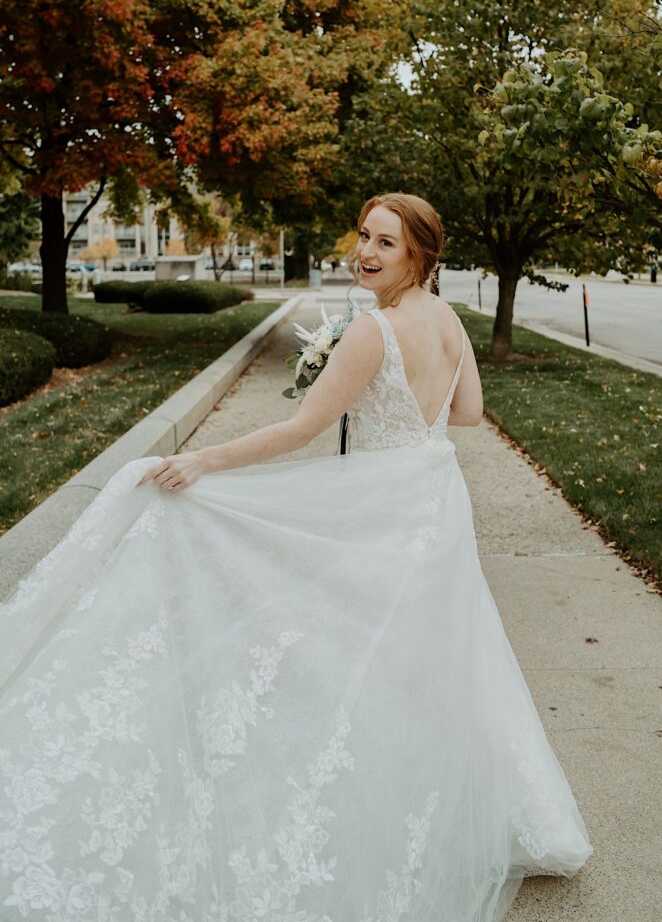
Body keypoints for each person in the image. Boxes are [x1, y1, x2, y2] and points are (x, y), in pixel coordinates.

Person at [0, 193, 592, 921]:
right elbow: (465, 413)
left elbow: (303, 429)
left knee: (350, 653)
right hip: (433, 498)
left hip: (380, 505)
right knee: (429, 653)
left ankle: (361, 803)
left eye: (386, 244)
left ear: (419, 257)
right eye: (364, 236)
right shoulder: (449, 322)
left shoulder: (374, 330)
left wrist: (205, 460)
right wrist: (401, 412)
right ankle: (440, 803)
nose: (366, 252)